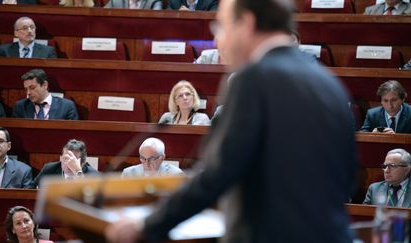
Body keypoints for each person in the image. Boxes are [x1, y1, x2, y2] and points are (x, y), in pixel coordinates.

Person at [106, 0, 357, 242]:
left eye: (221, 27)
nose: (218, 39)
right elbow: (346, 177)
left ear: (246, 23)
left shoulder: (254, 78)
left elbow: (218, 172)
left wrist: (147, 225)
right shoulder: (330, 84)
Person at [29, 139, 98, 188]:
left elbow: (91, 197)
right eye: (66, 158)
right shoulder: (49, 169)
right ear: (61, 158)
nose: (68, 163)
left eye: (73, 160)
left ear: (83, 161)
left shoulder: (94, 175)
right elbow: (30, 190)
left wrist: (78, 171)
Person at [12, 69, 79, 120]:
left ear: (45, 85)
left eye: (32, 88)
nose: (28, 93)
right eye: (26, 89)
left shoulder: (67, 106)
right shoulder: (20, 107)